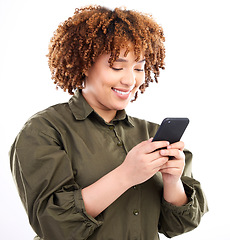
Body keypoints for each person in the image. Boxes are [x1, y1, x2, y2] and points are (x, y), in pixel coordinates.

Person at [10, 5, 208, 240]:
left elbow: (179, 224)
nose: (130, 80)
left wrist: (172, 181)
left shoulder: (152, 134)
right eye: (116, 66)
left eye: (139, 67)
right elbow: (52, 224)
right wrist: (126, 175)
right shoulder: (44, 131)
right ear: (84, 63)